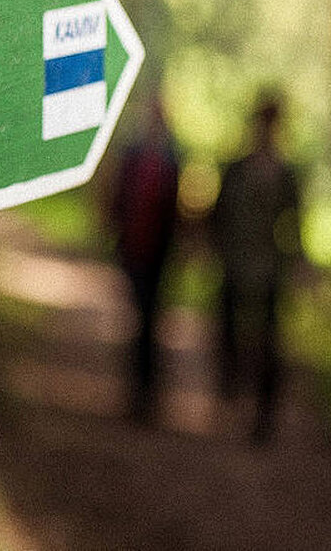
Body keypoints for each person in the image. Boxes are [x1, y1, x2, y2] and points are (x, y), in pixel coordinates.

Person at [211, 93, 302, 443]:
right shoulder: (237, 169)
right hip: (235, 267)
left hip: (268, 271)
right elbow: (220, 215)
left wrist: (295, 264)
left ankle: (263, 418)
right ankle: (231, 399)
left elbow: (293, 223)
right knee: (230, 338)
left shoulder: (286, 174)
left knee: (269, 346)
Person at [111, 98, 179, 421]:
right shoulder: (133, 154)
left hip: (160, 254)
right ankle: (136, 391)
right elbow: (118, 199)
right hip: (133, 250)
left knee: (151, 321)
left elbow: (176, 209)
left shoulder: (171, 158)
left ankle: (148, 392)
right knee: (138, 319)